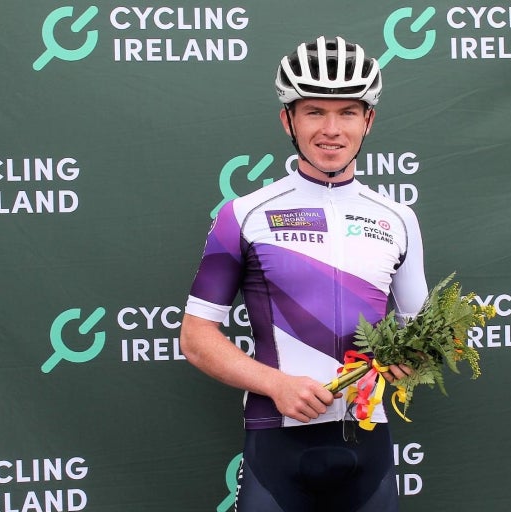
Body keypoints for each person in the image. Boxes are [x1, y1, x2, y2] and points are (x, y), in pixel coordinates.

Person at [180, 35, 428, 511]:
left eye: (348, 112)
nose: (331, 129)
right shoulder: (244, 214)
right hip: (277, 450)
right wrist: (276, 384)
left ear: (368, 120)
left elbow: (416, 337)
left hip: (369, 447)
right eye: (314, 111)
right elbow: (195, 337)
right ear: (287, 120)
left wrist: (410, 361)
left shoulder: (398, 218)